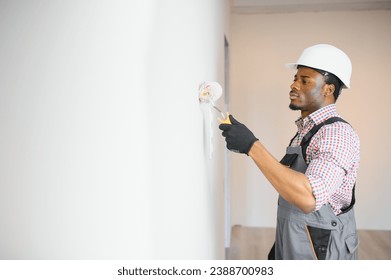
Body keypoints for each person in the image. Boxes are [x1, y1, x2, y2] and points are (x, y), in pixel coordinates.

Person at [219, 44, 360, 260]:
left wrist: (252, 146)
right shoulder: (306, 130)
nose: (293, 85)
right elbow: (291, 187)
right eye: (295, 78)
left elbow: (308, 198)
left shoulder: (336, 134)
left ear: (328, 89)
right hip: (300, 239)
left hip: (323, 249)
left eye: (304, 80)